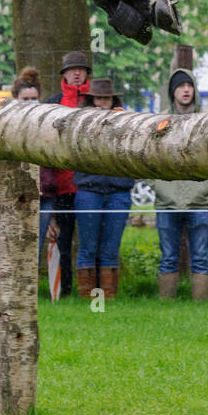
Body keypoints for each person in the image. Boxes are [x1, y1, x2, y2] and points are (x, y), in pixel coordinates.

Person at [150, 67, 208, 301]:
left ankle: (201, 307)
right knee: (168, 256)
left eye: (189, 85)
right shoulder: (158, 122)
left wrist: (206, 187)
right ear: (173, 91)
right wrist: (160, 188)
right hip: (167, 202)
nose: (186, 90)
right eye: (181, 86)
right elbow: (147, 161)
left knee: (200, 257)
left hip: (200, 202)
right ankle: (165, 305)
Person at [73, 78, 134, 298]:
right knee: (88, 248)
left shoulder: (127, 123)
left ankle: (108, 297)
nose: (102, 104)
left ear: (112, 100)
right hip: (89, 191)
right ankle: (87, 298)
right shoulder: (78, 125)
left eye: (106, 98)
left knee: (110, 250)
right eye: (98, 98)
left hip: (119, 191)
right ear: (91, 101)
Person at [40, 51, 91, 297]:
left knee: (91, 242)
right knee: (63, 241)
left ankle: (92, 292)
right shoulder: (52, 102)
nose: (78, 73)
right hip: (62, 187)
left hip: (89, 186)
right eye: (73, 69)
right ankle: (64, 291)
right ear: (65, 74)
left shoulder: (96, 101)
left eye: (81, 69)